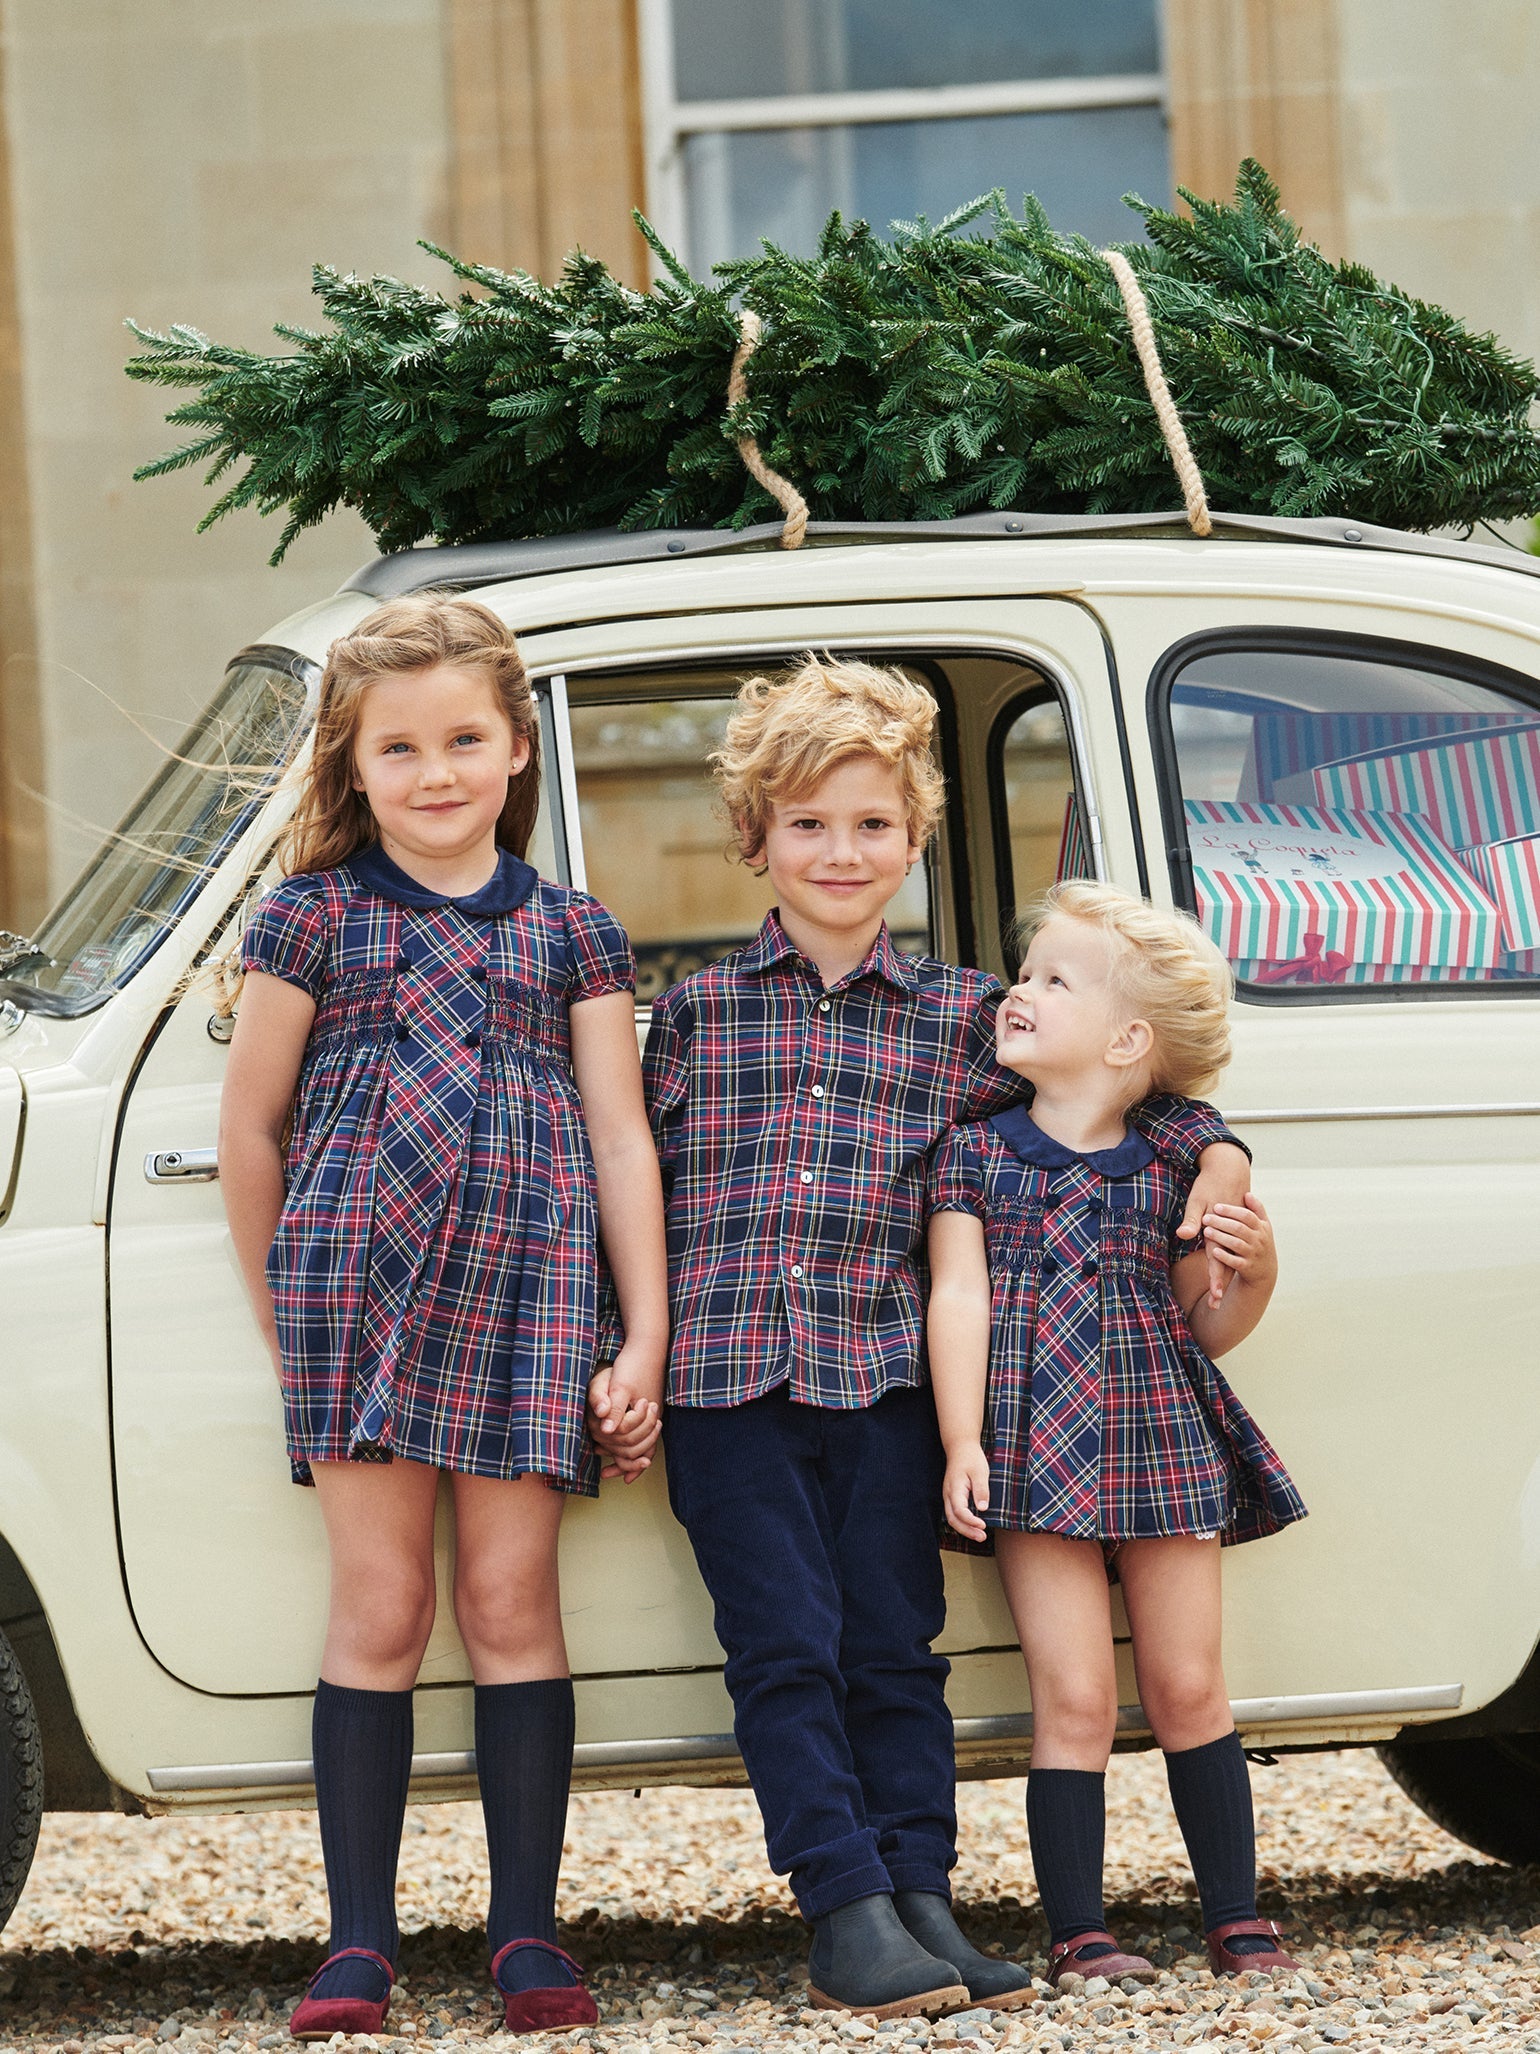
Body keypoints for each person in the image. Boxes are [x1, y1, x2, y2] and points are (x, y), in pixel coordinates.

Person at [614, 656, 1253, 2020]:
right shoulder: (692, 1022)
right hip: (726, 1384)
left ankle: (921, 1893)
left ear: (913, 840)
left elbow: (1130, 1092)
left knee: (897, 1644)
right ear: (755, 839)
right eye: (807, 824)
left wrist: (1220, 1151)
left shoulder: (968, 1020)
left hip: (888, 1378)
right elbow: (624, 1181)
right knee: (784, 1643)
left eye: (871, 826)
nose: (841, 852)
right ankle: (843, 1901)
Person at [219, 595, 667, 2041]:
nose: (435, 772)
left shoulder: (574, 930)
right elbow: (251, 1124)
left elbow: (617, 1137)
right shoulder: (309, 914)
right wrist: (284, 1312)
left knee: (508, 1604)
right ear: (352, 765)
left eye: (464, 738)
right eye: (397, 747)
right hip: (355, 1290)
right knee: (383, 1605)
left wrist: (642, 1331)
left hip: (535, 1296)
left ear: (515, 744)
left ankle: (525, 1933)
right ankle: (358, 1942)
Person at [926, 881, 1307, 1987]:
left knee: (1189, 1682)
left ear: (1129, 1038)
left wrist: (1258, 1266)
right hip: (1030, 1444)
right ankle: (1079, 1929)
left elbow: (1211, 1320)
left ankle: (1234, 1915)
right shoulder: (972, 1155)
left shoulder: (1177, 1157)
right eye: (1024, 971)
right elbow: (960, 1297)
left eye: (1053, 978)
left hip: (1160, 1434)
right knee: (1076, 1696)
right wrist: (961, 1439)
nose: (1020, 990)